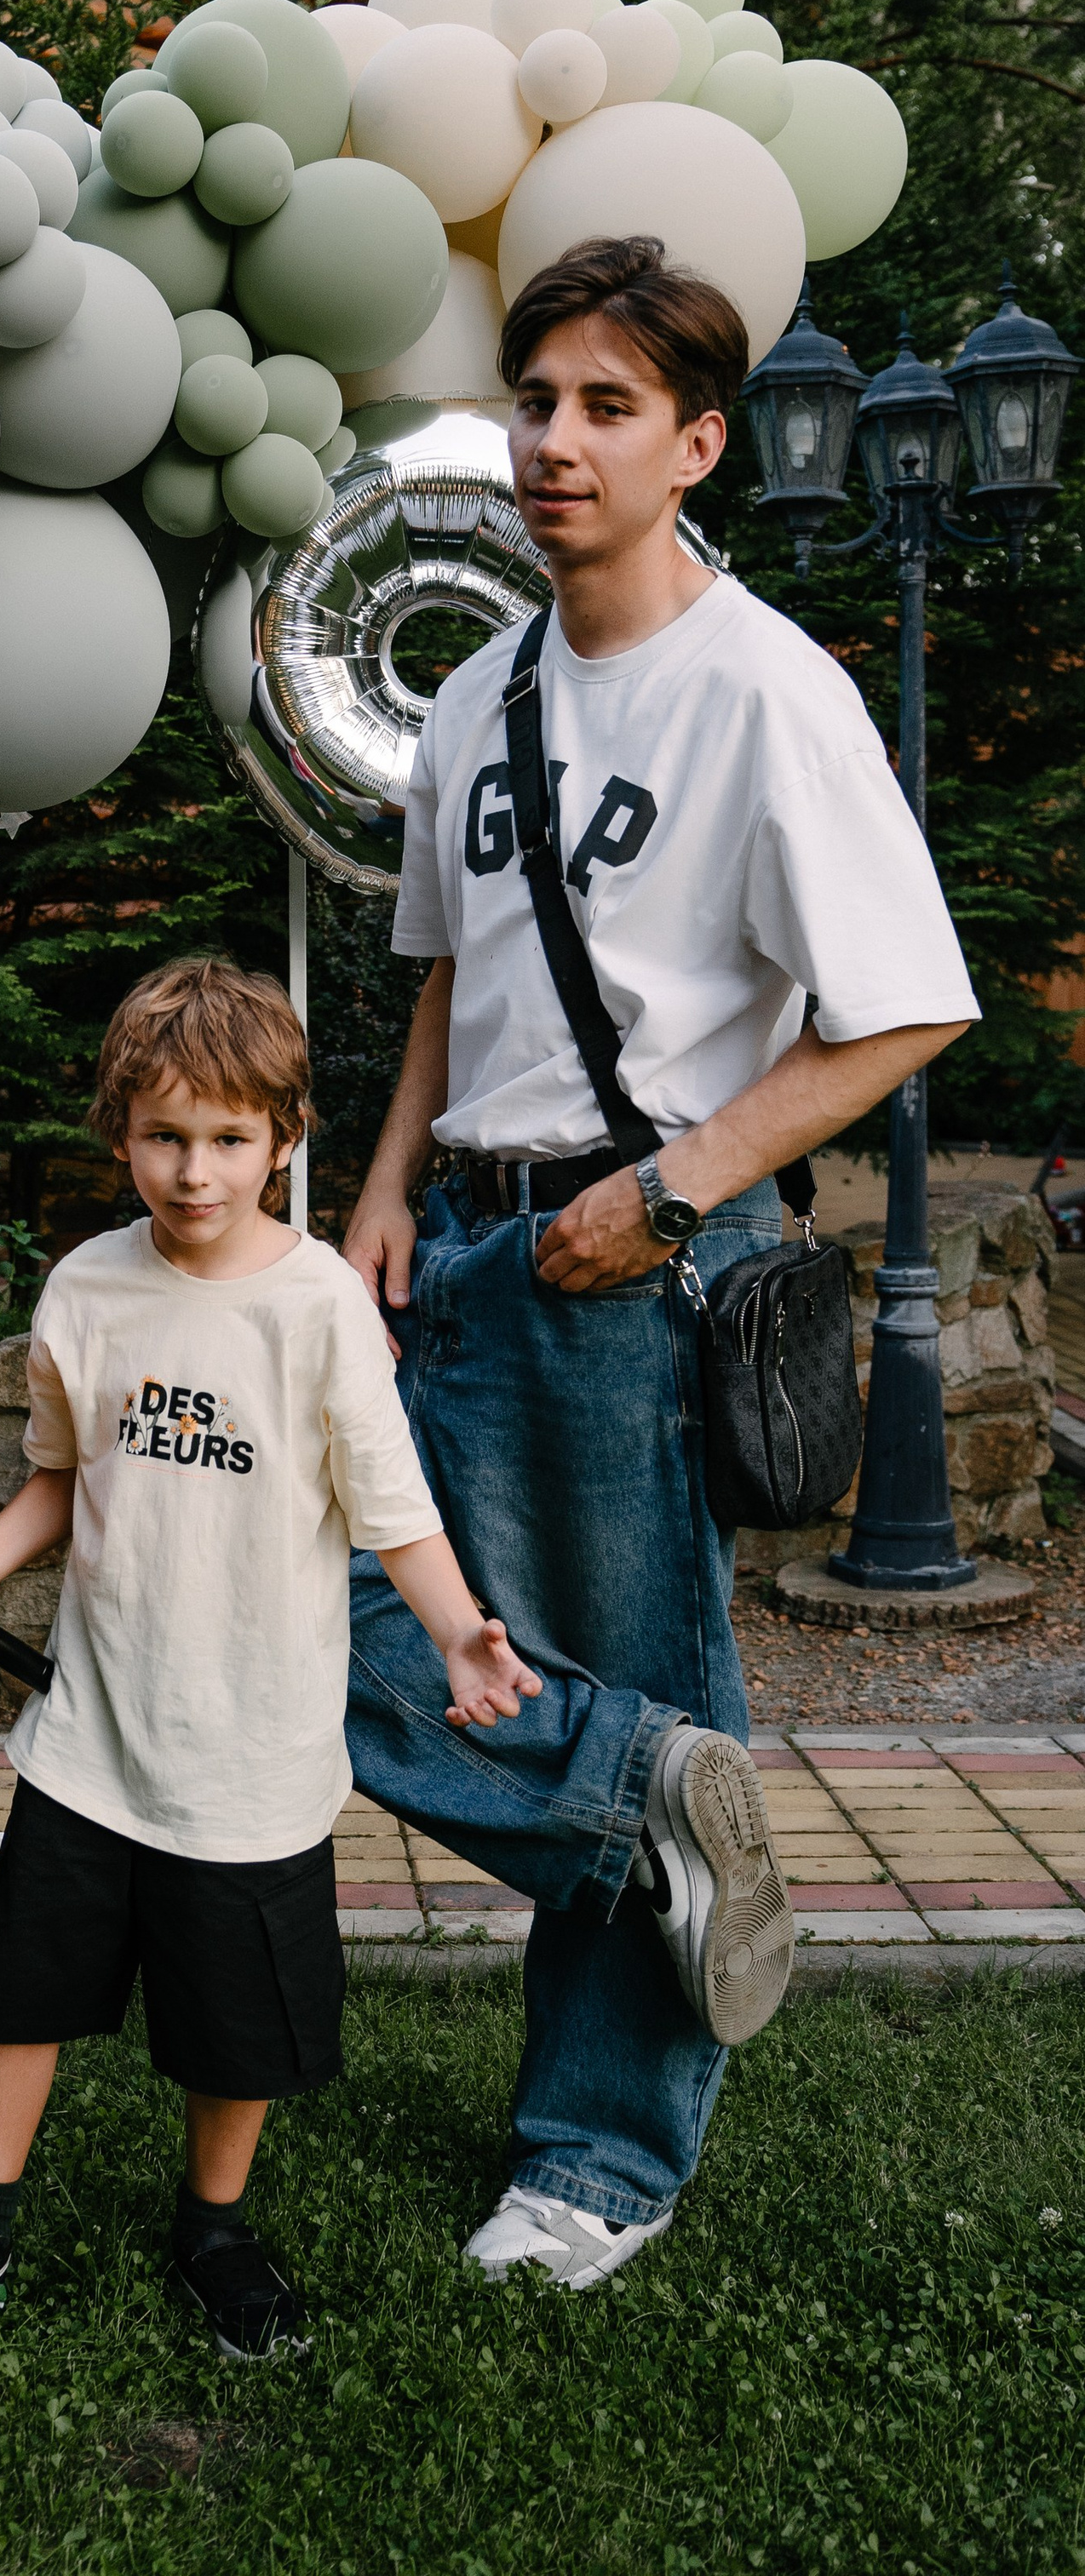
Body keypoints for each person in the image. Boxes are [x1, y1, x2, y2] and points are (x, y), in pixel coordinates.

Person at [340, 236, 978, 2291]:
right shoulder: (473, 691)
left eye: (607, 407)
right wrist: (377, 1184)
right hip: (461, 1246)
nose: (552, 442)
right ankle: (656, 1802)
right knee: (337, 1639)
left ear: (697, 443)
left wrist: (675, 1193)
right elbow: (444, 973)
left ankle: (597, 2162)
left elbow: (899, 1012)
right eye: (533, 399)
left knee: (599, 1661)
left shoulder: (766, 689)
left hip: (644, 1267)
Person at [0, 959, 541, 2360]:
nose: (197, 1171)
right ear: (120, 1133)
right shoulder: (86, 1288)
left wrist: (462, 1630)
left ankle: (217, 2225)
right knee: (23, 1989)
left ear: (286, 1138)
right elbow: (57, 1479)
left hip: (256, 1748)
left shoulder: (322, 1304)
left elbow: (393, 1508)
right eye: (166, 1136)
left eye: (230, 1139)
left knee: (238, 2025)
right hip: (94, 1733)